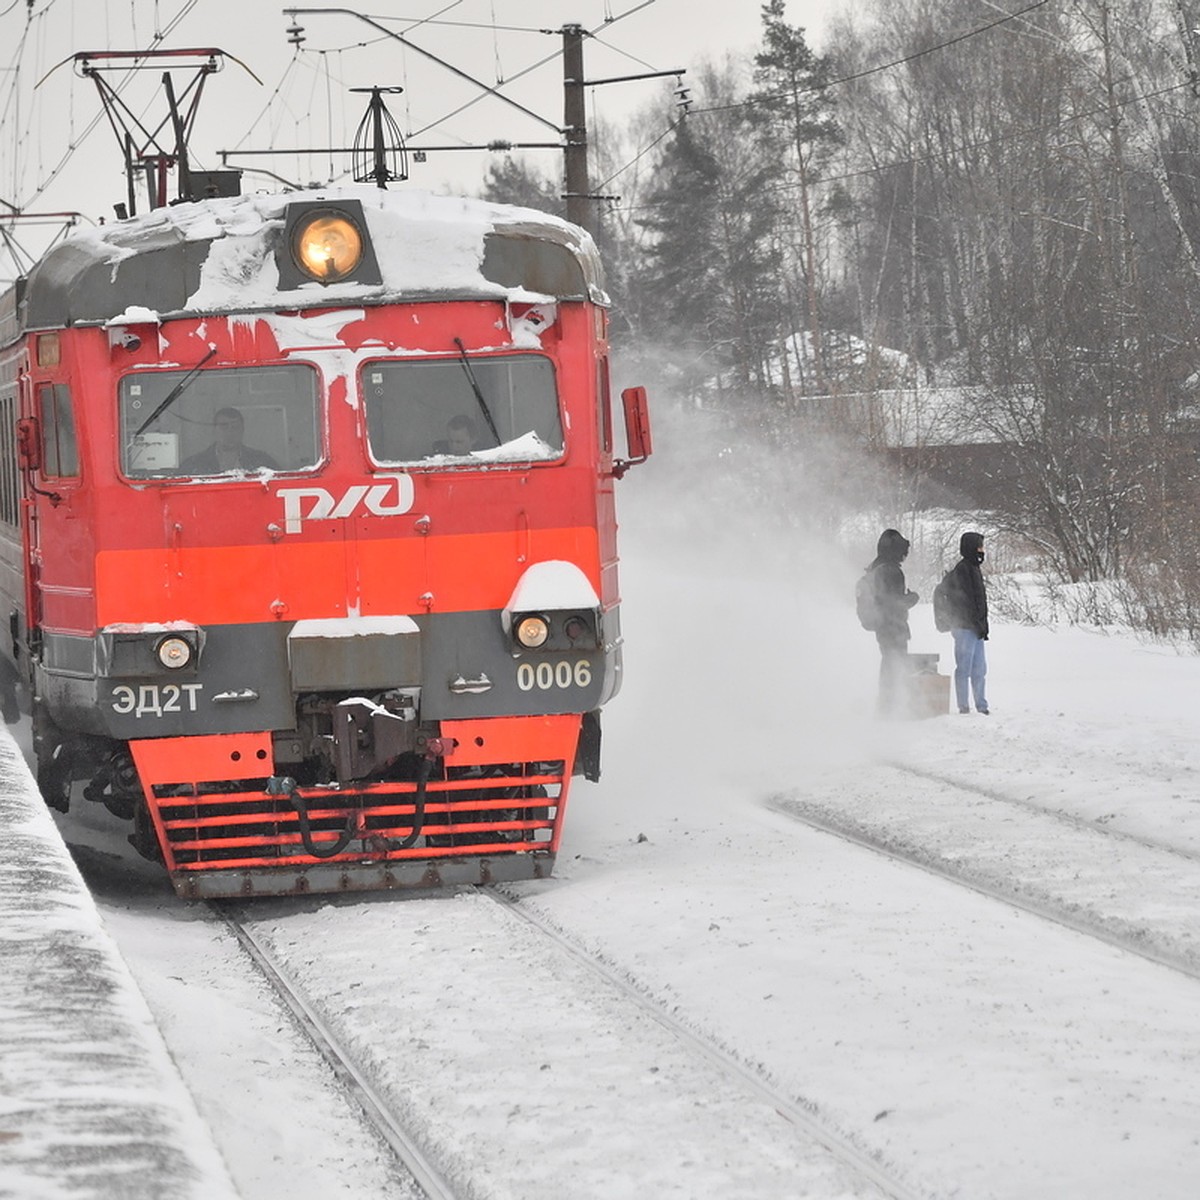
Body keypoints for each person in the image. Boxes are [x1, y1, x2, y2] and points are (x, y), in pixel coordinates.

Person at [867, 528, 919, 716]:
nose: (904, 556)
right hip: (893, 626)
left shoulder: (876, 567)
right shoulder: (892, 570)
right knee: (894, 667)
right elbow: (894, 602)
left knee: (889, 665)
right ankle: (890, 709)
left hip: (883, 626)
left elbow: (884, 599)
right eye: (903, 551)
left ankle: (887, 706)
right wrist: (912, 598)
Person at [946, 531, 990, 715]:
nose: (982, 551)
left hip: (976, 627)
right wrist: (974, 621)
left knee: (980, 668)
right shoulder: (962, 569)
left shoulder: (974, 568)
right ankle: (963, 705)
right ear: (971, 548)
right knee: (964, 667)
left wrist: (981, 625)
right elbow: (964, 600)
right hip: (964, 627)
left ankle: (981, 705)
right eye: (979, 547)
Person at [181, 407, 279, 474]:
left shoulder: (262, 461)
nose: (230, 432)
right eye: (224, 427)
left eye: (235, 427)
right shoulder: (194, 465)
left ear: (242, 430)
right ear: (214, 430)